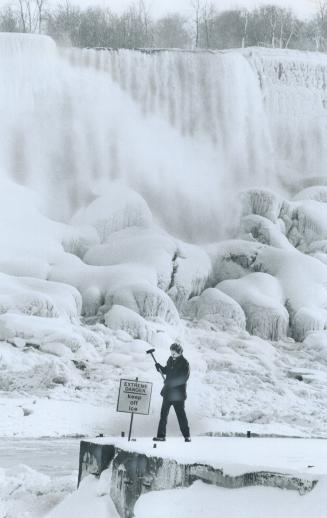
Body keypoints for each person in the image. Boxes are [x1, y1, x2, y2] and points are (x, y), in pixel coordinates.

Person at [153, 343, 191, 442]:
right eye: (171, 353)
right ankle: (161, 436)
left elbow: (183, 379)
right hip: (168, 393)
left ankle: (187, 436)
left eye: (174, 353)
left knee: (181, 416)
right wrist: (160, 368)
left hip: (178, 394)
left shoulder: (185, 363)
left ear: (180, 352)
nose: (172, 355)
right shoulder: (170, 360)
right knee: (163, 415)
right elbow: (167, 371)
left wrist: (170, 382)